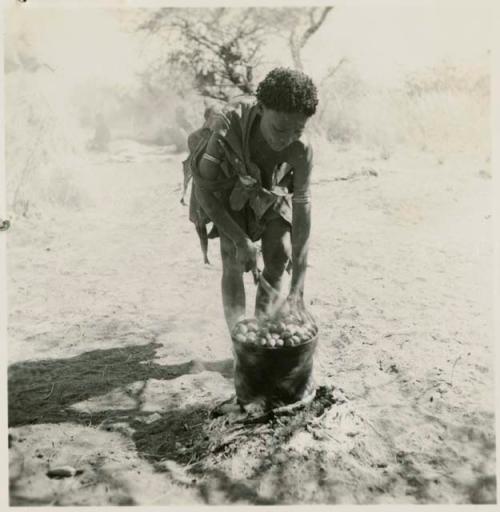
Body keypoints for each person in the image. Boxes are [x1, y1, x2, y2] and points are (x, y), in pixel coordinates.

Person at [190, 67, 318, 332]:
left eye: (297, 130)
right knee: (233, 257)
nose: (286, 139)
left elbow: (302, 207)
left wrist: (298, 289)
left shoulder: (301, 149)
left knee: (279, 253)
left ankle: (262, 329)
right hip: (226, 192)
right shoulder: (227, 127)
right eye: (280, 129)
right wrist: (240, 239)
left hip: (270, 191)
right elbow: (204, 191)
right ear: (260, 109)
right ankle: (240, 340)